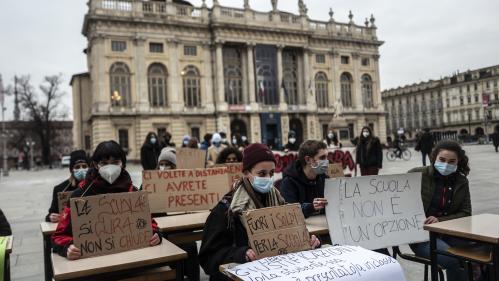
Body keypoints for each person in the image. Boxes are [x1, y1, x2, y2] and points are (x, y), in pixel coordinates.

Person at [199, 144, 321, 280]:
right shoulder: (226, 211)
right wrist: (240, 254)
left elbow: (290, 237)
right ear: (246, 173)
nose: (268, 178)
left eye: (272, 173)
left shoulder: (280, 203)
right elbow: (208, 259)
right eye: (262, 173)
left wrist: (308, 240)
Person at [52, 141, 161, 260]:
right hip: (94, 266)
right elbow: (58, 236)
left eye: (115, 162)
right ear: (95, 165)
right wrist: (67, 247)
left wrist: (156, 235)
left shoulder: (133, 193)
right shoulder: (80, 196)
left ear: (123, 164)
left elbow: (151, 224)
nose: (110, 168)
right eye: (104, 163)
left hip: (132, 261)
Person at [408, 140, 472, 281]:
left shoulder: (461, 181)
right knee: (454, 260)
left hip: (452, 234)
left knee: (489, 252)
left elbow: (466, 213)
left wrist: (440, 221)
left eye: (451, 161)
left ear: (458, 162)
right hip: (422, 237)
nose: (446, 165)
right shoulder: (416, 175)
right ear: (434, 158)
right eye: (442, 160)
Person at [154, 148, 200, 281]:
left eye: (168, 165)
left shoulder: (184, 183)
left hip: (183, 229)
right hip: (163, 232)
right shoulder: (150, 184)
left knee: (189, 246)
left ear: (174, 167)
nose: (164, 168)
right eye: (161, 164)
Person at [280, 140, 329, 218]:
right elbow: (289, 212)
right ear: (308, 160)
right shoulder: (289, 182)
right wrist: (311, 207)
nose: (326, 161)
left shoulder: (325, 179)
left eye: (327, 157)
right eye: (322, 157)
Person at [45, 150, 90, 223]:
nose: (81, 169)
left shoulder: (94, 186)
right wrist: (50, 217)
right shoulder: (60, 189)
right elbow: (51, 213)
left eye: (84, 166)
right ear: (71, 170)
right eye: (77, 167)